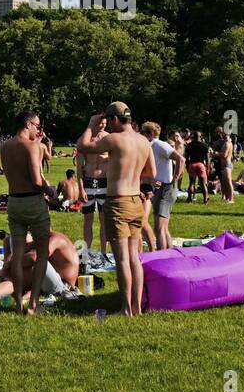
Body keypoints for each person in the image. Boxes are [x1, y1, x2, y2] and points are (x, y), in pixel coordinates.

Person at [77, 102, 155, 317]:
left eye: (109, 121)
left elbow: (82, 146)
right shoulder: (143, 141)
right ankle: (137, 306)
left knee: (122, 259)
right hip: (135, 201)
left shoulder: (113, 139)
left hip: (118, 202)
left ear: (114, 120)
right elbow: (151, 172)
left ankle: (126, 309)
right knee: (134, 257)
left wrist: (91, 126)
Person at [0, 110, 56, 314]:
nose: (39, 130)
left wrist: (38, 144)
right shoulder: (31, 146)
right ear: (28, 124)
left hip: (14, 201)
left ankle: (17, 304)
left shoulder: (4, 146)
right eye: (37, 125)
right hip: (33, 202)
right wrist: (50, 191)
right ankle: (33, 304)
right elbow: (36, 179)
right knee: (42, 254)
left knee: (16, 255)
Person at [4, 229, 81, 298]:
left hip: (64, 287)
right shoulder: (42, 239)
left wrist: (10, 263)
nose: (30, 233)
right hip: (50, 282)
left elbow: (34, 257)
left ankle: (8, 285)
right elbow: (24, 250)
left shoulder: (56, 239)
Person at [142, 122, 182, 249]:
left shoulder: (160, 145)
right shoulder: (152, 146)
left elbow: (180, 159)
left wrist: (175, 178)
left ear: (151, 133)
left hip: (166, 188)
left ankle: (161, 257)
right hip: (159, 188)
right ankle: (169, 255)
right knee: (163, 228)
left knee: (159, 228)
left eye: (144, 132)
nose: (142, 135)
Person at [78, 126, 110, 259]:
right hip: (89, 182)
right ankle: (87, 251)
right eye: (99, 123)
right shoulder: (84, 140)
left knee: (104, 221)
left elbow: (119, 159)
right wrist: (81, 188)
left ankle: (104, 252)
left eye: (104, 123)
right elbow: (79, 168)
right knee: (88, 221)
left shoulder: (109, 138)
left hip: (105, 182)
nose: (102, 126)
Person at [184, 130, 210, 204]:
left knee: (191, 182)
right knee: (203, 184)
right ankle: (205, 199)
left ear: (193, 137)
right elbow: (207, 158)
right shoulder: (204, 145)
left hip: (192, 164)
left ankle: (189, 198)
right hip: (200, 165)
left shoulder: (189, 145)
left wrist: (187, 165)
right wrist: (208, 168)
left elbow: (186, 157)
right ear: (200, 137)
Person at [214, 128, 236, 204]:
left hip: (227, 165)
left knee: (229, 182)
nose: (224, 135)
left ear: (229, 135)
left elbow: (224, 155)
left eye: (225, 134)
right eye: (223, 134)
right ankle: (227, 198)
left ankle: (231, 199)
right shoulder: (226, 143)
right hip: (224, 166)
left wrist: (214, 154)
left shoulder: (227, 143)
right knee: (225, 183)